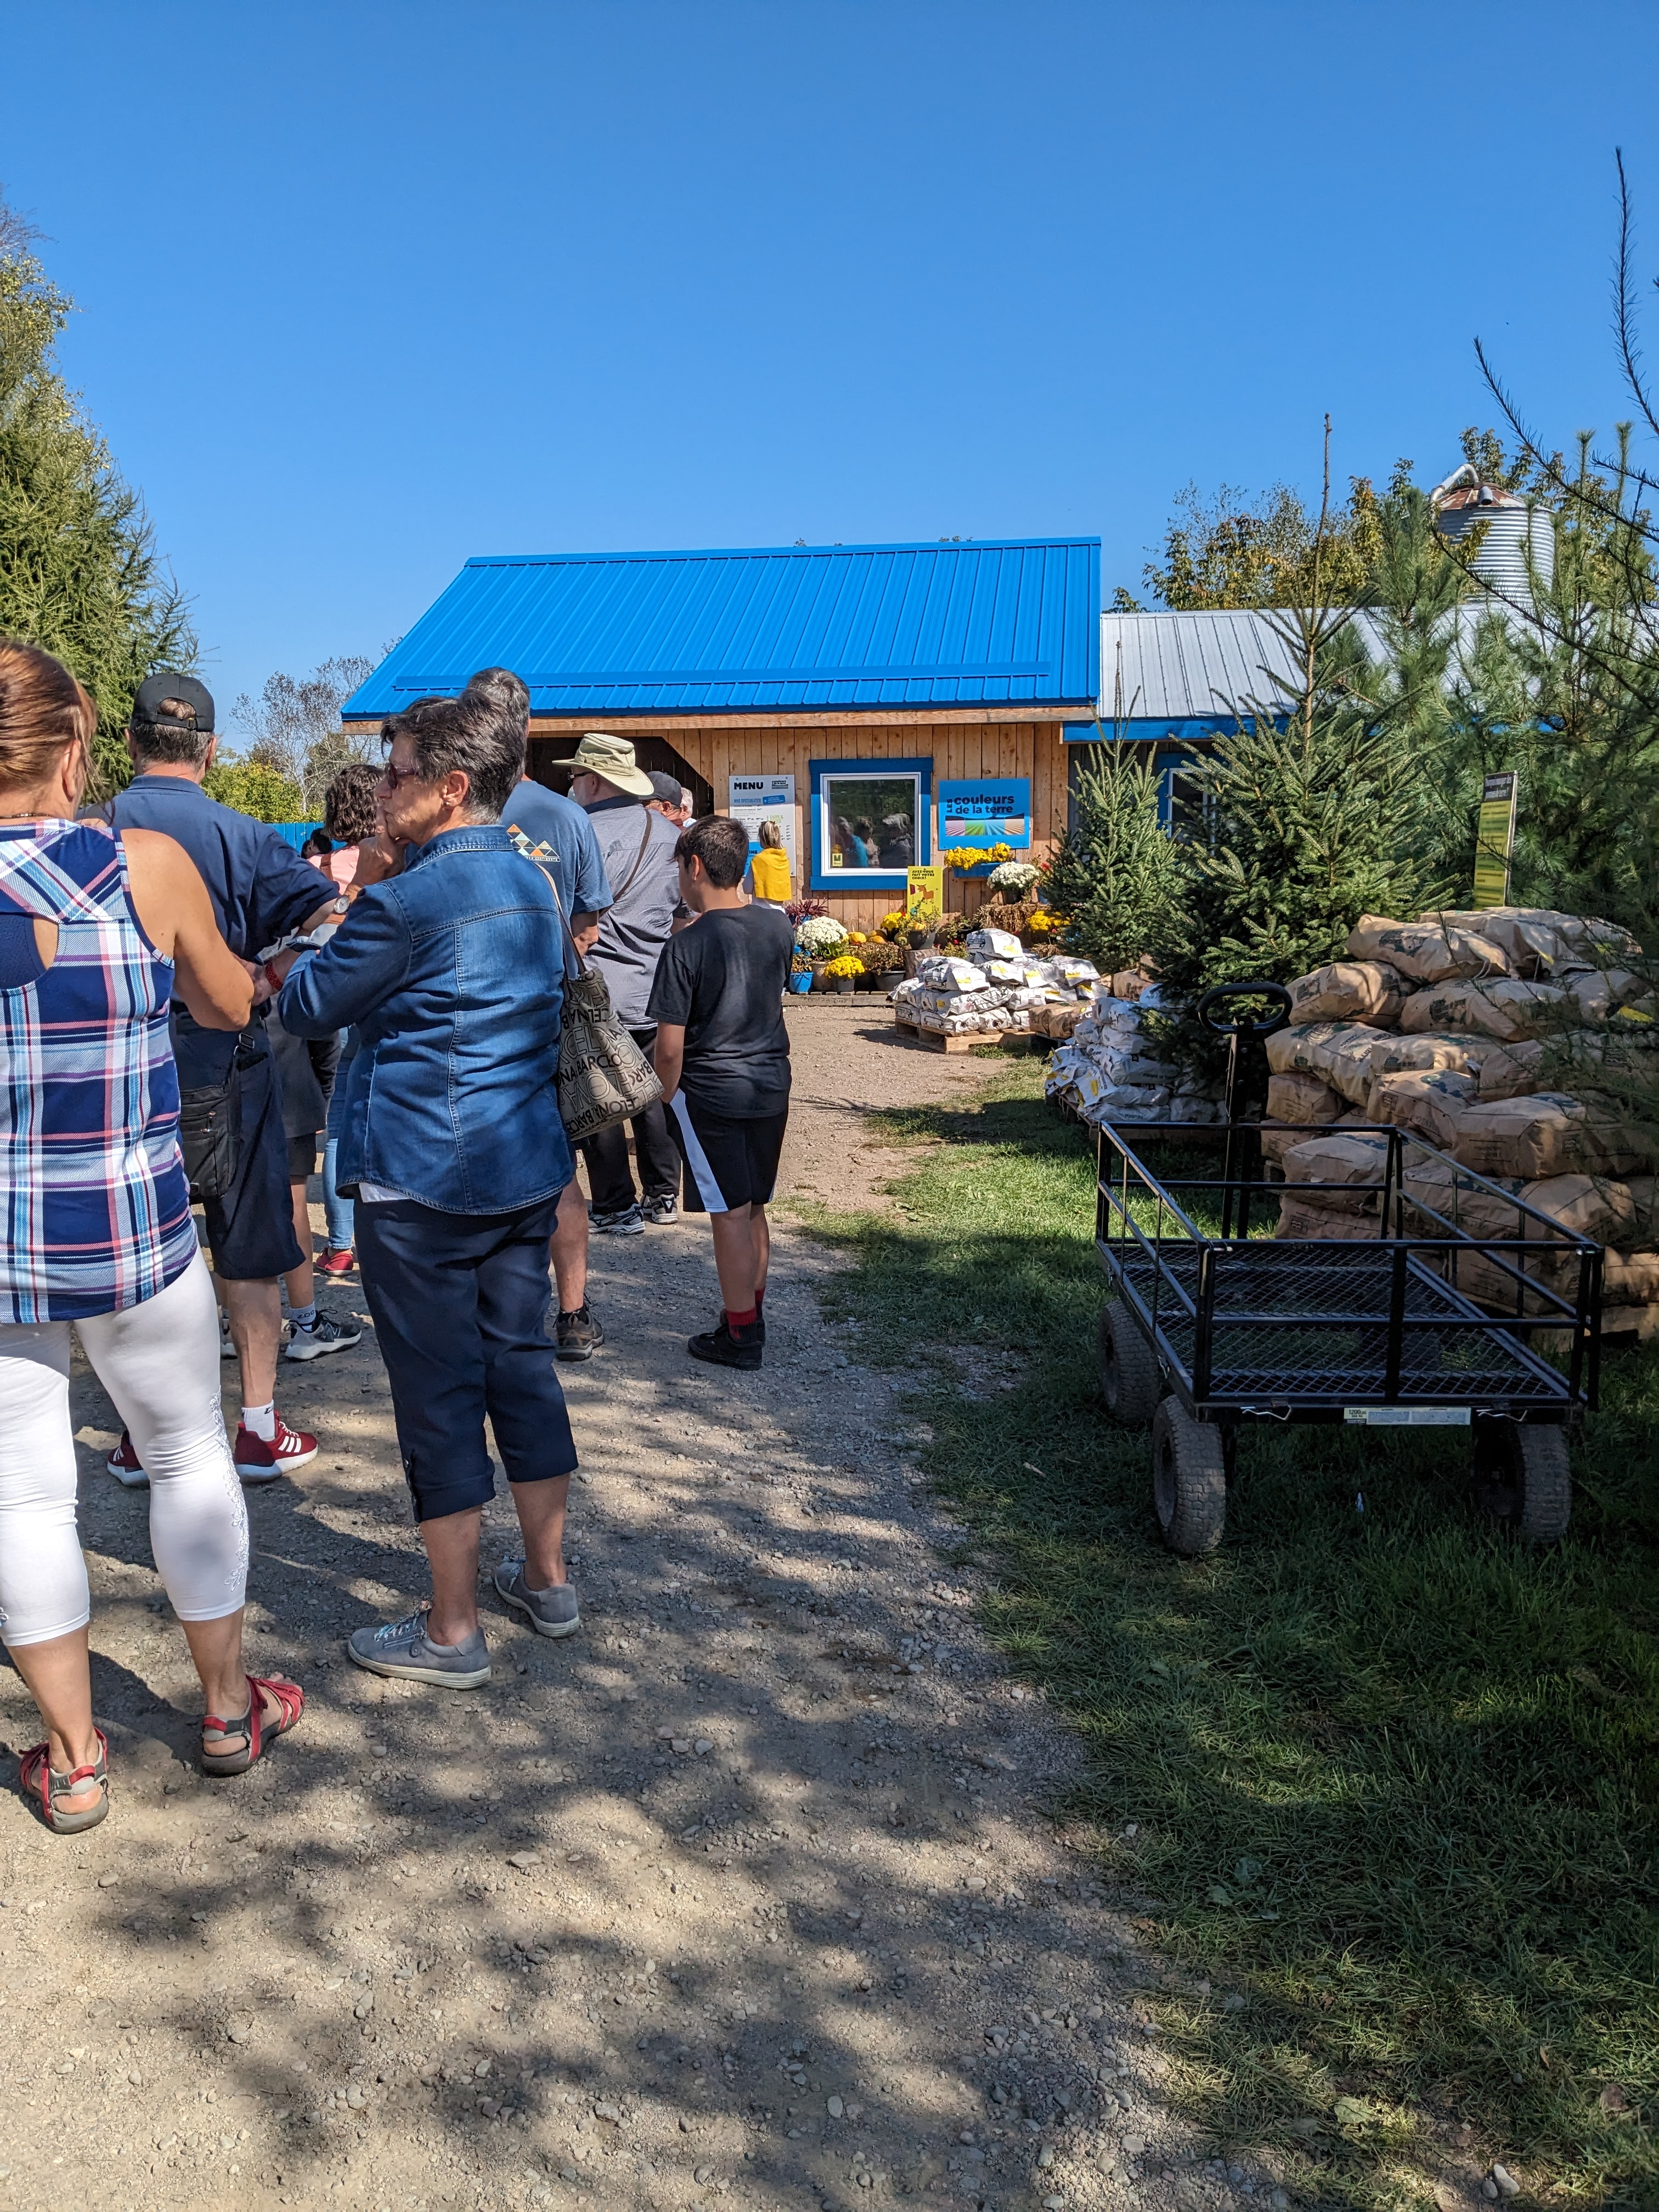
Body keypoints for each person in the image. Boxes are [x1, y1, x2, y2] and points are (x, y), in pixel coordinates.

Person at [0, 642, 303, 1831]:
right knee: (184, 1455)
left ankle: (76, 1760)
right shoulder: (146, 866)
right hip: (132, 1229)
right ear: (77, 749)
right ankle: (227, 1710)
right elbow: (227, 1001)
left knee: (23, 1498)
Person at [274, 692, 581, 1686]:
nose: (380, 790)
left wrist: (355, 894)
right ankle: (547, 1580)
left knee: (440, 1394)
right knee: (522, 1366)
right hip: (522, 1164)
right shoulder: (534, 879)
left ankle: (452, 1629)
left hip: (421, 1178)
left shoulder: (404, 900)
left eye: (397, 772)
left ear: (452, 787)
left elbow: (308, 1004)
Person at [104, 675, 343, 1481]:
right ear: (210, 750)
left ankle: (142, 1435)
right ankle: (256, 1428)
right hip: (232, 1058)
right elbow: (333, 919)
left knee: (143, 1249)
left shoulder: (93, 829)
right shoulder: (245, 837)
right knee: (248, 1248)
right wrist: (271, 973)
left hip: (124, 1066)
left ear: (130, 742)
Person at [462, 668, 614, 1361]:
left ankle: (486, 1311)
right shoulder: (565, 815)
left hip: (461, 1017)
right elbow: (589, 920)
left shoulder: (447, 809)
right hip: (542, 1013)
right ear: (527, 729)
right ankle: (572, 1314)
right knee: (555, 1169)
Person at [649, 815, 794, 1372]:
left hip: (712, 1092)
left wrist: (665, 1097)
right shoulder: (777, 927)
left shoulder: (685, 946)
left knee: (727, 1214)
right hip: (771, 1081)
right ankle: (751, 1313)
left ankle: (740, 1335)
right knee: (754, 1206)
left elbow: (669, 1048)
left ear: (695, 867)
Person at [546, 731, 687, 1236]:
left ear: (594, 781)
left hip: (594, 989)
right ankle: (664, 1193)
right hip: (654, 986)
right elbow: (683, 918)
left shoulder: (575, 833)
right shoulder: (672, 835)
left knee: (599, 1093)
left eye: (575, 775)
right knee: (653, 1094)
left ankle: (615, 1205)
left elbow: (561, 911)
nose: (572, 784)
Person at [315, 764, 381, 1278]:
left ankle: (340, 1245)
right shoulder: (397, 861)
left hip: (334, 996)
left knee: (338, 1121)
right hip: (380, 995)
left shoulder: (319, 867)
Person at [748, 817, 791, 905]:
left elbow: (747, 889)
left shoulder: (758, 860)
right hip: (780, 911)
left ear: (762, 838)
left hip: (760, 910)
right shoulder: (784, 859)